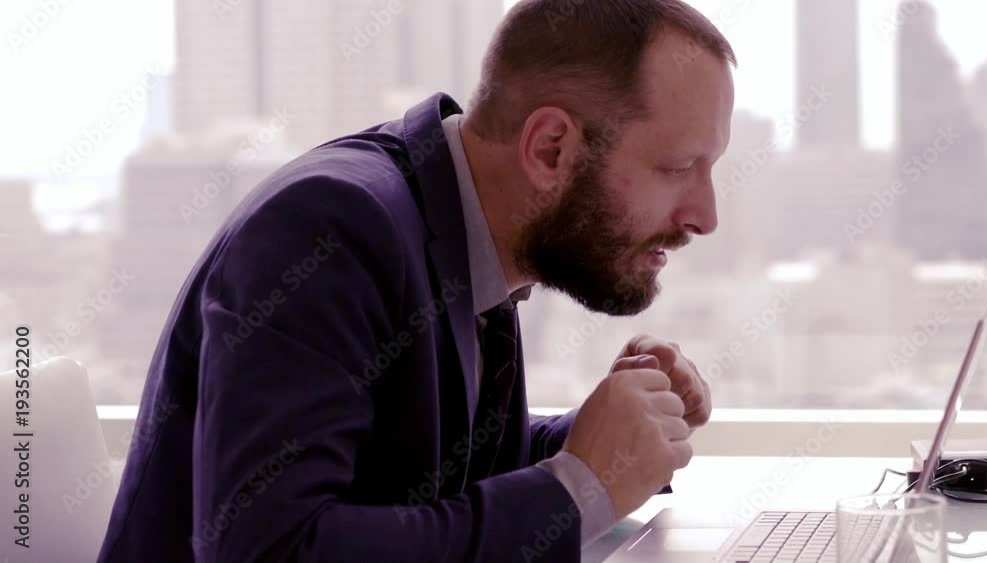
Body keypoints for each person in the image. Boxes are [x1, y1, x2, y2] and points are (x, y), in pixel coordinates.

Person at [97, 0, 736, 561]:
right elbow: (274, 550)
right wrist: (578, 490)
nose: (705, 218)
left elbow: (428, 472)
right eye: (677, 167)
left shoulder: (459, 220)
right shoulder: (329, 228)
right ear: (551, 149)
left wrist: (615, 440)